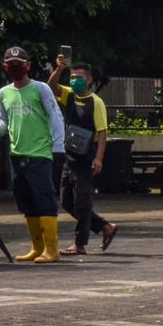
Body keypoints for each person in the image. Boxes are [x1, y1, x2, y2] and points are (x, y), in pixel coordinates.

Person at [0, 46, 64, 263]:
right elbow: (4, 120)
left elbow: (55, 116)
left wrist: (58, 147)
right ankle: (37, 247)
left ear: (28, 66)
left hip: (40, 154)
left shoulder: (41, 89)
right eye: (11, 65)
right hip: (17, 154)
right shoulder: (4, 93)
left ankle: (52, 249)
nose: (16, 68)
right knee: (26, 202)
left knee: (45, 201)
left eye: (20, 65)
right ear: (5, 67)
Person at [47, 55, 118, 255]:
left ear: (88, 80)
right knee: (66, 201)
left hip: (86, 159)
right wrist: (59, 69)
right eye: (71, 76)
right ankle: (105, 226)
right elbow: (51, 87)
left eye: (78, 77)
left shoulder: (96, 102)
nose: (74, 80)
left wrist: (98, 159)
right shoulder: (69, 95)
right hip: (69, 157)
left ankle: (79, 244)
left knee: (82, 202)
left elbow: (102, 132)